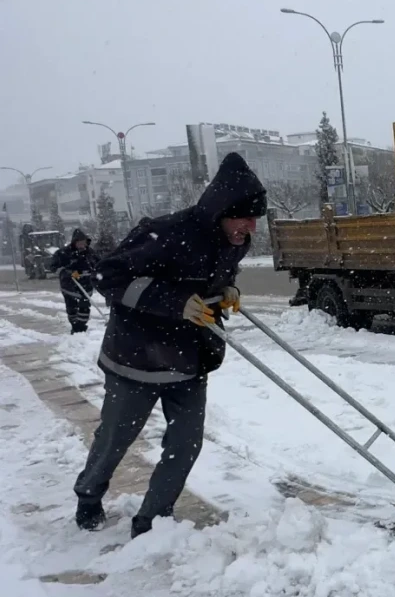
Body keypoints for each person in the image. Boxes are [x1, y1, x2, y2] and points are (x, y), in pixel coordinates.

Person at [73, 152, 267, 538]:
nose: (251, 228)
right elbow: (108, 276)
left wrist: (226, 290)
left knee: (185, 443)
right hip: (137, 358)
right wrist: (175, 303)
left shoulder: (234, 241)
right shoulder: (167, 233)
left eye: (254, 219)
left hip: (191, 358)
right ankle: (89, 494)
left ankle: (153, 519)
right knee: (116, 438)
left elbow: (209, 280)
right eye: (244, 217)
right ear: (220, 210)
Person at [48, 229, 99, 334]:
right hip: (69, 285)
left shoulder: (90, 253)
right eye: (79, 242)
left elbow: (98, 264)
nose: (82, 244)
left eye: (83, 242)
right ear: (74, 242)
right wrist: (67, 271)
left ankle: (81, 326)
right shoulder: (63, 253)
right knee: (72, 307)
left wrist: (94, 271)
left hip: (86, 284)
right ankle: (75, 325)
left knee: (85, 305)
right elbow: (54, 267)